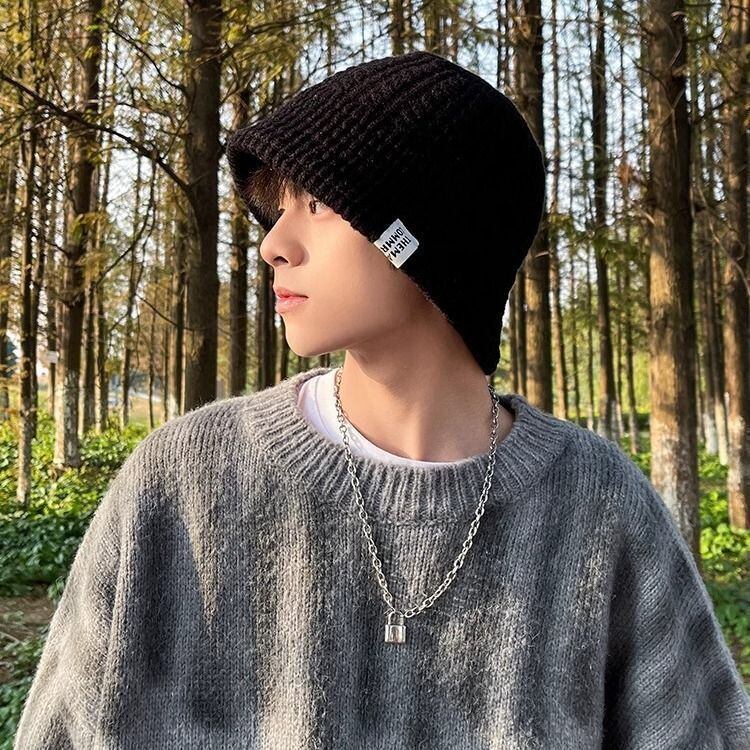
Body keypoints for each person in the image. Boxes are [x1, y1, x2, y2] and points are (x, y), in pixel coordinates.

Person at [14, 50, 750, 749]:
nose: (273, 244)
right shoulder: (183, 486)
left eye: (317, 204)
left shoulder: (599, 507)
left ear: (424, 238)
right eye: (278, 209)